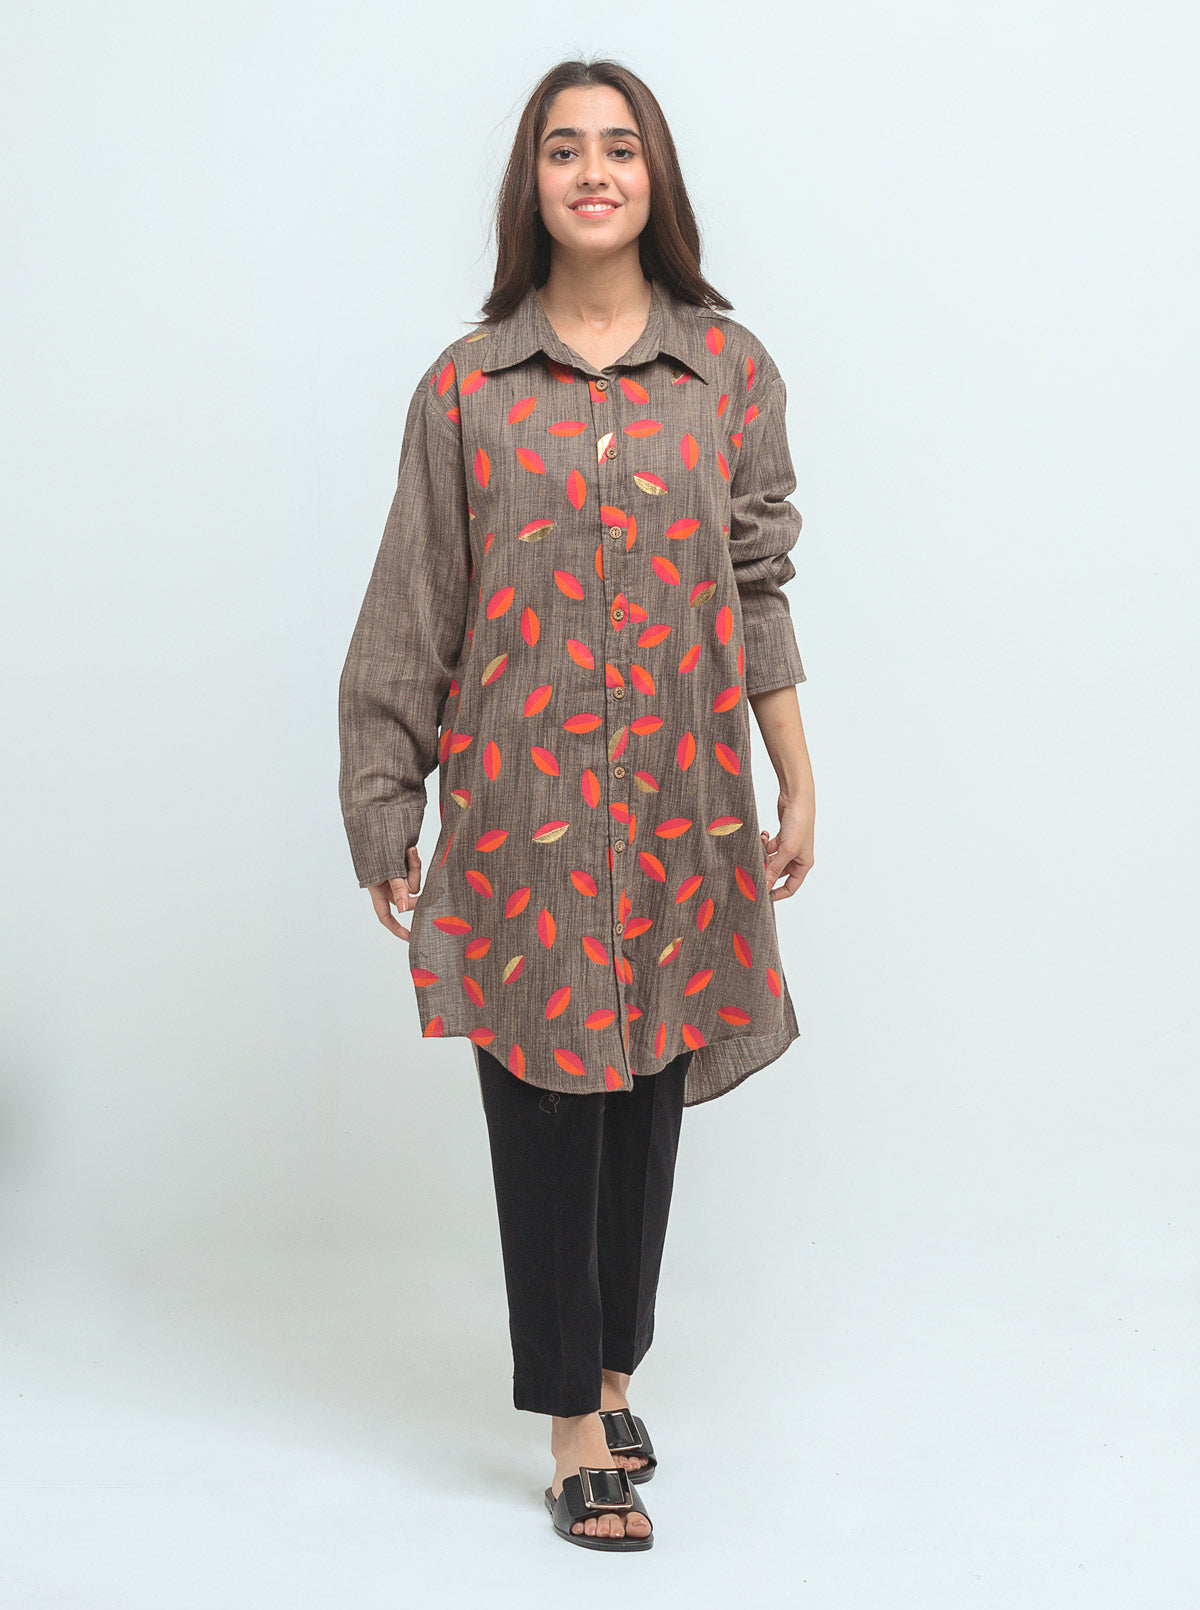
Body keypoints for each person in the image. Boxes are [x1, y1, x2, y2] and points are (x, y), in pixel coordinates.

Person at [337, 57, 816, 1552]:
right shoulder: (466, 388)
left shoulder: (727, 372)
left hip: (683, 805)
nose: (593, 172)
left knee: (648, 1094)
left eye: (619, 147)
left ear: (654, 176)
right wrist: (385, 800)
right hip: (523, 811)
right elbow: (415, 602)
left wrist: (797, 772)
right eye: (564, 149)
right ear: (531, 182)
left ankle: (611, 1374)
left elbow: (756, 585)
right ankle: (566, 1424)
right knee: (547, 1103)